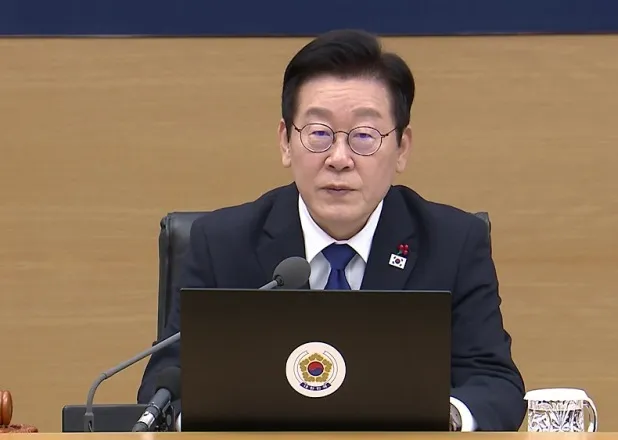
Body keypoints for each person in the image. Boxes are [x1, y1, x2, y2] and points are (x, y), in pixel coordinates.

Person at [138, 28, 526, 432]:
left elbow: (495, 383)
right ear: (286, 142)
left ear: (402, 149)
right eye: (320, 134)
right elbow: (163, 389)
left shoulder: (452, 243)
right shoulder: (221, 244)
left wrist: (441, 417)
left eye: (364, 136)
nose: (339, 159)